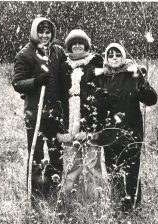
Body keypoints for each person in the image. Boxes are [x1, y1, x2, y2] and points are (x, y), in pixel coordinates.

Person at [93, 43, 158, 213]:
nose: (114, 58)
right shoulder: (101, 77)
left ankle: (133, 205)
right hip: (109, 131)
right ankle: (117, 203)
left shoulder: (134, 75)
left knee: (131, 169)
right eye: (111, 55)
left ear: (123, 57)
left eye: (117, 55)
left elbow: (150, 100)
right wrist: (102, 99)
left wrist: (145, 87)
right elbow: (97, 106)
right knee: (113, 169)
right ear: (106, 58)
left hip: (131, 130)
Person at [12, 17, 67, 201]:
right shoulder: (25, 54)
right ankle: (36, 195)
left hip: (55, 113)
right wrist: (36, 82)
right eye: (41, 31)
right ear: (35, 32)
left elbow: (67, 72)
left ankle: (53, 189)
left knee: (56, 154)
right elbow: (18, 82)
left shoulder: (57, 52)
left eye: (48, 32)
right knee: (36, 155)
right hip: (35, 114)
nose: (44, 35)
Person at [56, 29, 105, 199]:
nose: (77, 46)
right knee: (71, 165)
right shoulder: (63, 67)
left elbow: (115, 67)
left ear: (86, 45)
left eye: (80, 43)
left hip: (91, 120)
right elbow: (57, 92)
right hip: (68, 121)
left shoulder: (96, 63)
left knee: (92, 166)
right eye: (73, 43)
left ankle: (95, 200)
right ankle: (69, 200)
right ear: (69, 46)